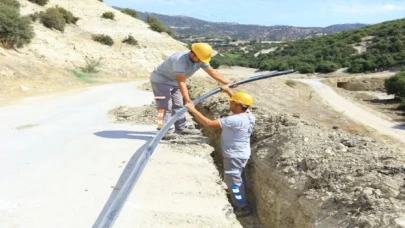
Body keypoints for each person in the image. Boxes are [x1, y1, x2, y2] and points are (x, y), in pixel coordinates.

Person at [185, 86, 255, 217]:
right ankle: (240, 200)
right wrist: (229, 91)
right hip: (241, 154)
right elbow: (240, 102)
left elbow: (210, 123)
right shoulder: (249, 115)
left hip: (233, 156)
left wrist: (192, 109)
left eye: (231, 102)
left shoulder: (235, 119)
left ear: (238, 105)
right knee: (237, 179)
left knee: (233, 182)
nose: (230, 104)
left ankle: (241, 206)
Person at [150, 43, 234, 134]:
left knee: (178, 105)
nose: (200, 61)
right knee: (164, 106)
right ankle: (162, 129)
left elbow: (213, 73)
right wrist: (188, 100)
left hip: (174, 81)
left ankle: (180, 128)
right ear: (192, 53)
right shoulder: (179, 60)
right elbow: (181, 82)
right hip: (160, 80)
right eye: (199, 59)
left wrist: (228, 82)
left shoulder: (201, 58)